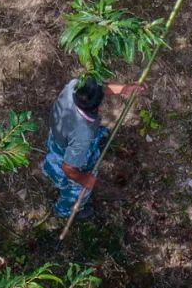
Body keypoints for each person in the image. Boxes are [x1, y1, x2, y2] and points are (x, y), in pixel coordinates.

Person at [42, 77, 143, 220]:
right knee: (76, 189)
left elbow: (98, 88)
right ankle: (65, 209)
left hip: (58, 135)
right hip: (68, 155)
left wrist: (124, 88)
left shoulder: (75, 85)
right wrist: (85, 179)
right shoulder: (83, 134)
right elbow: (68, 168)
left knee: (63, 149)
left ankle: (51, 165)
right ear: (96, 107)